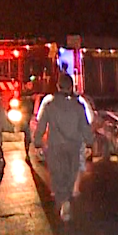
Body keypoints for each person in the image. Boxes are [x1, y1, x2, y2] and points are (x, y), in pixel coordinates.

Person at [34, 74, 94, 222]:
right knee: (71, 174)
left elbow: (41, 126)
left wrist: (37, 143)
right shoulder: (78, 106)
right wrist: (90, 143)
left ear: (58, 86)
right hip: (74, 146)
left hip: (56, 147)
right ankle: (66, 199)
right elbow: (85, 127)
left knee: (57, 175)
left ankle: (63, 201)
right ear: (71, 87)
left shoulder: (50, 106)